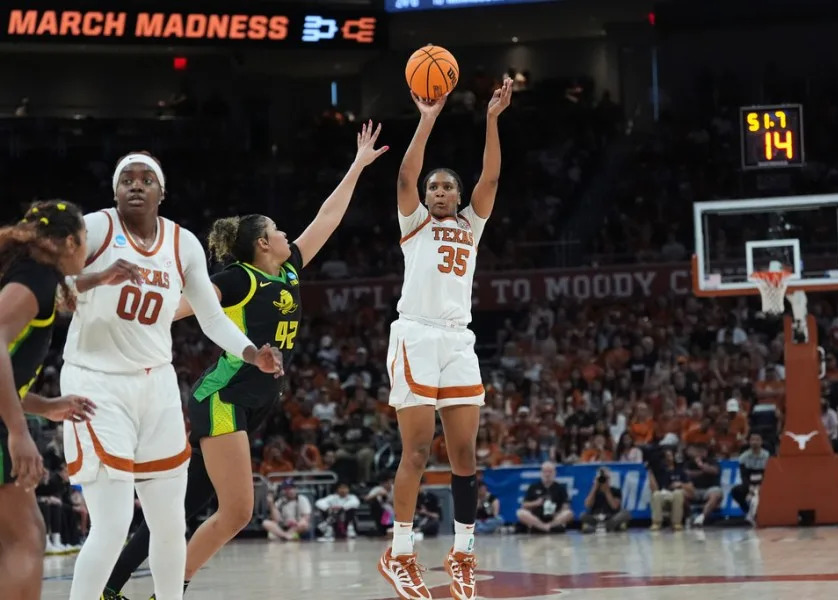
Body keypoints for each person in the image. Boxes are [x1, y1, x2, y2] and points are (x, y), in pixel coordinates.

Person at [102, 122, 387, 598]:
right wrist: (139, 317)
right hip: (222, 397)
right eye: (277, 231)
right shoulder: (237, 279)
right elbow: (188, 304)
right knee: (237, 512)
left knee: (178, 511)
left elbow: (328, 218)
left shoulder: (290, 268)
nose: (286, 234)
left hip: (254, 401)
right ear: (261, 244)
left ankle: (110, 590)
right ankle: (167, 592)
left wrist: (357, 165)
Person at [62, 152, 283, 600]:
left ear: (162, 192)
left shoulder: (182, 244)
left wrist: (248, 352)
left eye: (147, 179)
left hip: (157, 384)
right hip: (96, 383)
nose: (136, 185)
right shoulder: (96, 229)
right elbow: (51, 292)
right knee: (113, 523)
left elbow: (211, 315)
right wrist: (96, 279)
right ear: (114, 190)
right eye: (127, 179)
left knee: (169, 522)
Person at [377, 77, 513, 600]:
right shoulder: (413, 223)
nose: (438, 191)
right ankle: (402, 552)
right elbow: (406, 172)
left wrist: (492, 120)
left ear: (457, 196)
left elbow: (493, 177)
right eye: (434, 187)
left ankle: (463, 553)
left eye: (446, 187)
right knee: (415, 452)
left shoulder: (471, 225)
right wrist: (428, 118)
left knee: (463, 456)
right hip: (415, 336)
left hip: (458, 340)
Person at [0, 200, 97, 600]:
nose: (87, 251)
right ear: (71, 240)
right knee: (26, 537)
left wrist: (46, 406)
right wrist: (19, 432)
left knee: (24, 535)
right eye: (86, 241)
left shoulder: (35, 278)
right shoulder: (33, 279)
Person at [515, 461, 574, 534]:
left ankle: (549, 526)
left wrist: (557, 513)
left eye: (550, 472)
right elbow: (524, 505)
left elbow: (566, 505)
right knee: (520, 513)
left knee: (568, 513)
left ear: (554, 473)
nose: (547, 474)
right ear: (541, 473)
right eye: (545, 471)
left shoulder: (560, 488)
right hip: (537, 518)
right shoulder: (533, 487)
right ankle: (544, 527)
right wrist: (536, 503)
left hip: (554, 517)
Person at [730, 432, 769, 524]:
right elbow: (744, 475)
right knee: (736, 491)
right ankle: (748, 513)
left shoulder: (767, 456)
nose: (755, 442)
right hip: (749, 483)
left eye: (757, 440)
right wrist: (749, 487)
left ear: (761, 442)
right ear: (749, 442)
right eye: (752, 440)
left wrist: (761, 486)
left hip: (764, 482)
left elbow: (768, 474)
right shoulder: (743, 457)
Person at [581, 468, 630, 533]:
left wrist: (607, 491)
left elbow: (614, 506)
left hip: (611, 517)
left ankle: (599, 528)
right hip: (596, 517)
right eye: (601, 478)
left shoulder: (615, 490)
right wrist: (594, 488)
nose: (603, 480)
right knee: (582, 515)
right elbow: (588, 505)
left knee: (625, 513)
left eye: (606, 478)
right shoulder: (593, 491)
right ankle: (609, 528)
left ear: (609, 479)